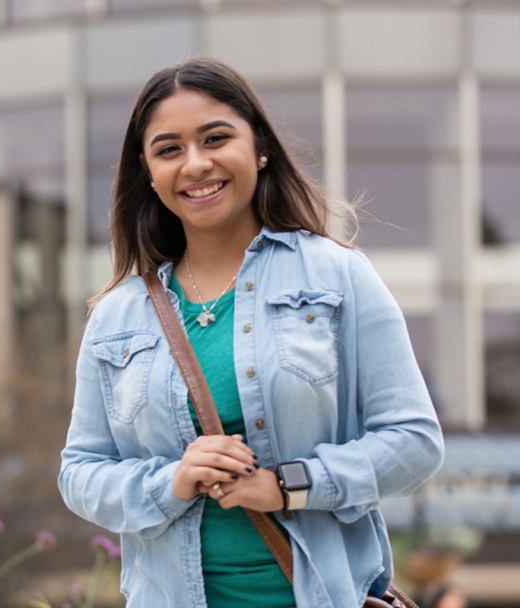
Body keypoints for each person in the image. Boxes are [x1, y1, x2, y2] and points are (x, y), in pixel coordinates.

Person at [58, 56, 445, 608]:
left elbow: (414, 442)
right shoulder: (117, 315)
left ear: (259, 147)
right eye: (169, 149)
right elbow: (79, 473)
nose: (195, 164)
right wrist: (171, 480)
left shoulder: (337, 275)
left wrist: (291, 484)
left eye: (215, 138)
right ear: (148, 172)